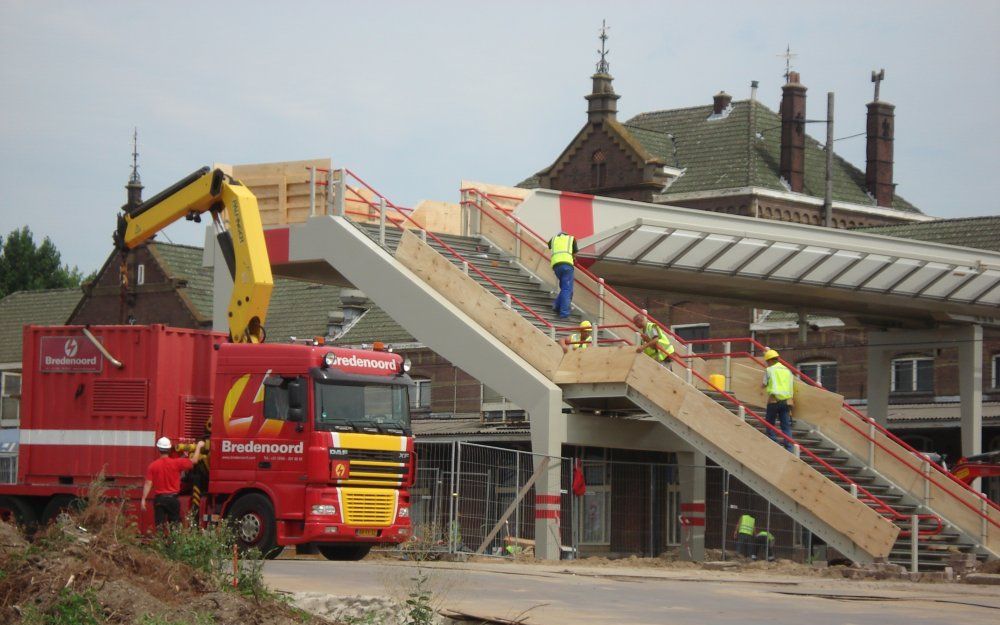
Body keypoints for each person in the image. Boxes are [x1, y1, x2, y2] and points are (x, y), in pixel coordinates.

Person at [141, 436, 205, 529]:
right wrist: (198, 446)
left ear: (158, 449)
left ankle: (161, 542)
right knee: (174, 526)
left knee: (160, 526)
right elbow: (194, 460)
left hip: (159, 499)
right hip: (173, 499)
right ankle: (173, 542)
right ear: (170, 449)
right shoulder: (177, 463)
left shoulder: (152, 466)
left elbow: (148, 483)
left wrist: (143, 499)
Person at [761, 349, 794, 451]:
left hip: (774, 400)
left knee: (769, 423)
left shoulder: (769, 370)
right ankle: (790, 448)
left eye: (767, 361)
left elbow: (764, 384)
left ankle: (774, 442)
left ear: (769, 361)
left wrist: (761, 386)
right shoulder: (787, 370)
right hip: (786, 401)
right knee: (786, 426)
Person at [548, 231, 577, 319]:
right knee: (567, 289)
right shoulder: (571, 239)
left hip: (556, 266)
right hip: (567, 265)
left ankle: (557, 306)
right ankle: (564, 313)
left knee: (564, 288)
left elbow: (549, 246)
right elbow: (574, 253)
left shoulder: (553, 239)